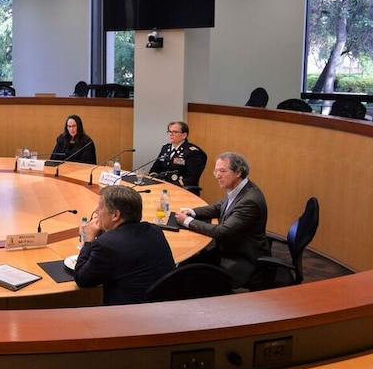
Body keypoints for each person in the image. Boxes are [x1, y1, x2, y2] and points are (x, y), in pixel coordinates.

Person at [174, 152, 271, 289]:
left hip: (242, 258)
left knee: (192, 276)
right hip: (227, 248)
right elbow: (218, 207)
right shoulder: (239, 189)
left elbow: (222, 231)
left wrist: (187, 221)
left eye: (222, 171)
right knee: (184, 267)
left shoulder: (250, 200)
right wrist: (192, 211)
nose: (217, 175)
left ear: (238, 172)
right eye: (216, 170)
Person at [74, 185, 175, 305]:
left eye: (100, 207)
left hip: (129, 316)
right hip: (165, 308)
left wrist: (88, 240)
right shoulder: (154, 230)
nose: (96, 211)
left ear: (115, 215)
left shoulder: (107, 245)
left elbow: (82, 279)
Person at [148, 121, 207, 193]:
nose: (170, 134)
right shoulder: (165, 148)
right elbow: (155, 168)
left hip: (182, 190)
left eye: (175, 132)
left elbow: (192, 178)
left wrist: (169, 186)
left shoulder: (192, 152)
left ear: (184, 135)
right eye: (169, 132)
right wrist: (154, 179)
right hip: (163, 188)